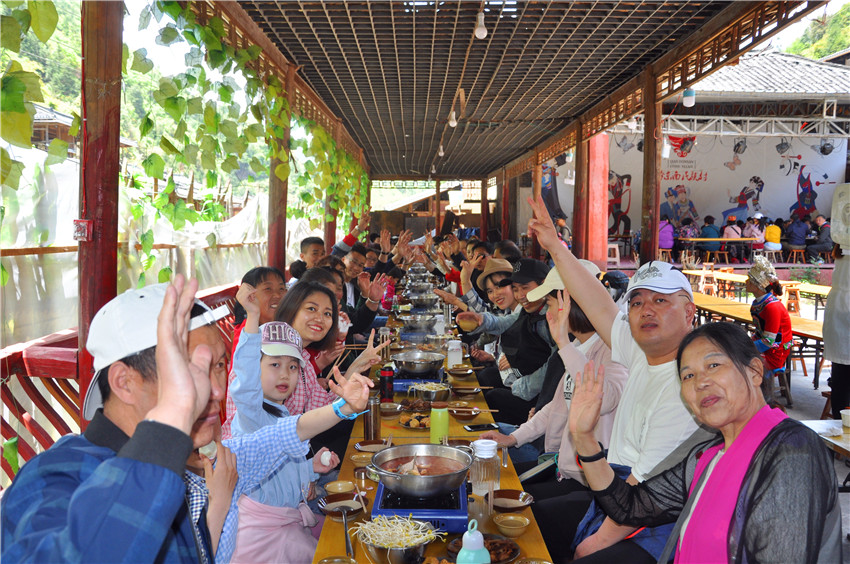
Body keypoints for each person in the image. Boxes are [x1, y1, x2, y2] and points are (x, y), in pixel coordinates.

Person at [568, 322, 841, 564]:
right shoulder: (708, 455)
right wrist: (584, 437)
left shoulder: (793, 450)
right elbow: (629, 507)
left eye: (713, 365)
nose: (700, 383)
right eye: (688, 376)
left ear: (755, 371)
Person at [527, 194, 699, 563]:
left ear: (689, 313)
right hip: (612, 493)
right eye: (636, 302)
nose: (646, 309)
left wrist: (592, 544)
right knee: (529, 524)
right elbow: (597, 302)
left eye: (661, 300)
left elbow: (645, 492)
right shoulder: (641, 351)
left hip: (652, 522)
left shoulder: (685, 386)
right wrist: (555, 246)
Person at [229, 285, 368, 562]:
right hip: (268, 538)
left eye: (292, 366)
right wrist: (253, 317)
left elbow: (280, 470)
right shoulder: (251, 412)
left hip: (290, 519)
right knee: (336, 547)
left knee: (346, 533)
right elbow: (244, 377)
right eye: (274, 365)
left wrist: (310, 467)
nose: (285, 374)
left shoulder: (280, 411)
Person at [479, 283, 628, 505]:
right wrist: (513, 438)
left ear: (572, 307)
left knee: (508, 502)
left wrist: (564, 345)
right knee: (493, 486)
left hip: (589, 483)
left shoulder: (609, 351)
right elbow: (556, 406)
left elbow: (604, 400)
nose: (547, 313)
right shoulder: (578, 347)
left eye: (549, 304)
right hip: (563, 466)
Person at [746, 257, 793, 407]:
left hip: (776, 352)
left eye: (750, 280)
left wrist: (747, 348)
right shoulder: (758, 303)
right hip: (767, 346)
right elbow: (760, 332)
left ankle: (762, 402)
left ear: (758, 286)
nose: (746, 282)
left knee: (746, 364)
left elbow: (769, 341)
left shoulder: (772, 307)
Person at [826, 244, 850, 419]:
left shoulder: (842, 246)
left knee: (840, 379)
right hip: (843, 312)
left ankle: (839, 423)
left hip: (838, 311)